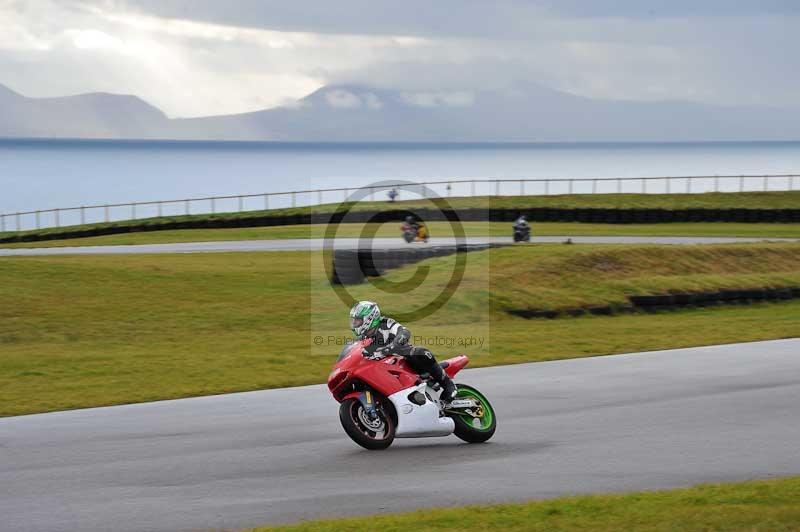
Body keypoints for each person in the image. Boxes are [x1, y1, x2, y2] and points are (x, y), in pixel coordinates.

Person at [348, 300, 457, 401]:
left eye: (358, 320)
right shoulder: (362, 338)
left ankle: (448, 385)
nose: (355, 323)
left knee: (420, 352)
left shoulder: (386, 323)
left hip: (403, 360)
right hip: (381, 368)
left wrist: (392, 346)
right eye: (354, 320)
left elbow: (404, 332)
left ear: (369, 318)